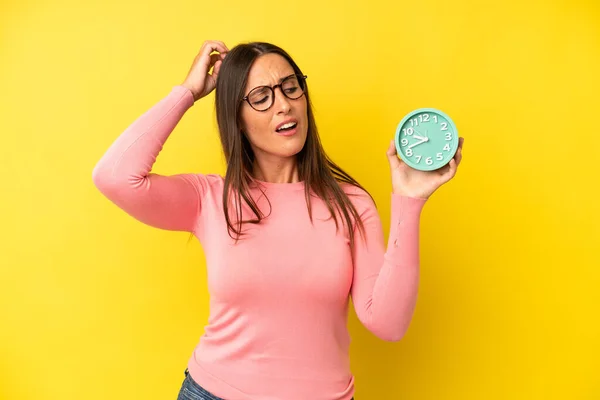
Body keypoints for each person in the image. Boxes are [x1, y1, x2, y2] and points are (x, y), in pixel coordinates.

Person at [92, 40, 464, 400]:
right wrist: (188, 92)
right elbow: (114, 176)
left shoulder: (350, 203)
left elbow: (388, 323)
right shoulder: (210, 198)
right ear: (236, 118)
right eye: (261, 97)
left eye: (290, 88)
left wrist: (409, 200)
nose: (284, 105)